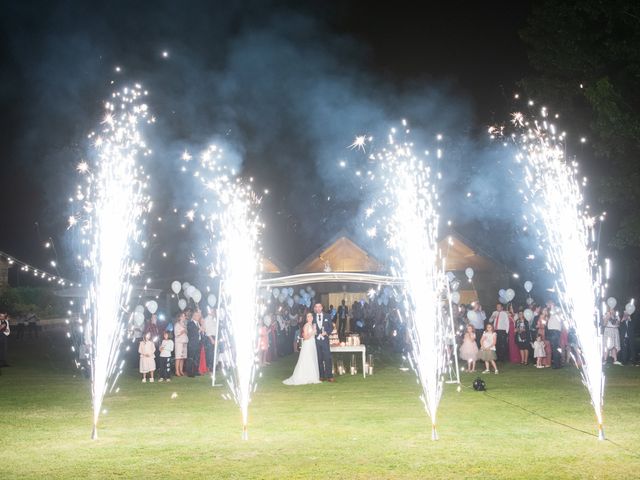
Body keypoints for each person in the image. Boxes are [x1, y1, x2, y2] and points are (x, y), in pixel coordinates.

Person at [283, 313, 321, 385]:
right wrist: (312, 332)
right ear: (306, 318)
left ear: (313, 317)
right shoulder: (306, 326)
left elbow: (313, 335)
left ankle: (312, 376)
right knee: (306, 359)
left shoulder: (312, 325)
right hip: (307, 344)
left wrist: (314, 332)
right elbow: (305, 337)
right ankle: (304, 376)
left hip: (312, 343)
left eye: (311, 316)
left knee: (312, 359)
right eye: (308, 316)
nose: (310, 317)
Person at [314, 302, 334, 382]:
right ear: (315, 308)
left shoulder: (327, 316)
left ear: (322, 308)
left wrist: (326, 332)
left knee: (327, 358)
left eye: (319, 307)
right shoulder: (312, 317)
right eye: (316, 307)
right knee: (319, 358)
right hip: (316, 341)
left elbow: (331, 327)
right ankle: (321, 375)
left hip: (325, 340)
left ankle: (329, 376)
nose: (318, 308)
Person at [186, 309, 202, 377]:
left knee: (197, 358)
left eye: (198, 315)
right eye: (197, 315)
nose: (198, 317)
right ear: (193, 316)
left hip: (198, 343)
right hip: (192, 344)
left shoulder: (198, 324)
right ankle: (189, 372)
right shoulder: (190, 323)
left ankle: (196, 371)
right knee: (191, 358)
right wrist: (199, 330)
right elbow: (191, 331)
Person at [546, 300, 563, 368]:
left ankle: (557, 364)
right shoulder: (552, 310)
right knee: (555, 347)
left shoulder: (557, 309)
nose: (548, 304)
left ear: (552, 303)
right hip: (553, 330)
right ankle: (558, 363)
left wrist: (551, 306)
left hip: (555, 330)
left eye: (549, 303)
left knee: (555, 347)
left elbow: (555, 314)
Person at [173, 312, 188, 376]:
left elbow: (186, 332)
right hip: (179, 342)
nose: (184, 317)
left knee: (182, 357)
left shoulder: (184, 324)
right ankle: (177, 371)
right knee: (178, 357)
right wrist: (182, 332)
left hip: (184, 342)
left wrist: (185, 331)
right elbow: (176, 334)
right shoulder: (177, 324)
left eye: (184, 316)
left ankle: (181, 370)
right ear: (179, 317)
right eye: (183, 316)